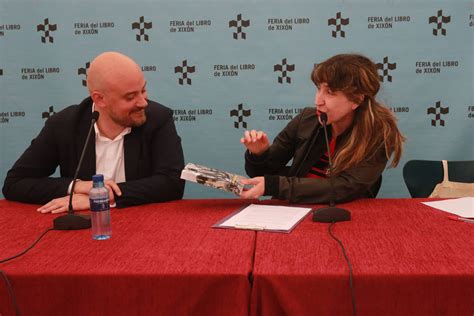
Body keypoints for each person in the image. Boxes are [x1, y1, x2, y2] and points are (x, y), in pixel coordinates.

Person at [2, 51, 185, 213]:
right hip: (84, 232)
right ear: (99, 99)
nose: (143, 102)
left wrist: (101, 198)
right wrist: (78, 187)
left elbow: (172, 183)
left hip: (143, 227)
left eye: (143, 90)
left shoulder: (158, 119)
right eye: (130, 97)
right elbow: (15, 183)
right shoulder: (64, 124)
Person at [239, 53, 405, 204]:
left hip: (345, 215)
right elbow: (264, 175)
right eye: (319, 89)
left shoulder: (379, 135)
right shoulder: (306, 119)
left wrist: (276, 186)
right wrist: (259, 154)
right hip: (293, 208)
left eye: (330, 92)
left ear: (357, 100)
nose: (318, 100)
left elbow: (345, 187)